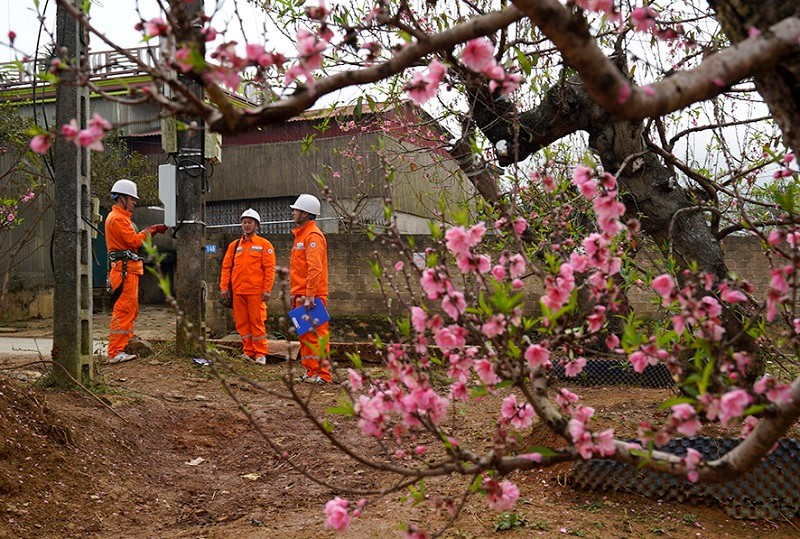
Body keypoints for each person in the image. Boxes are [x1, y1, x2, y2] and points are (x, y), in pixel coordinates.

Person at [105, 179, 168, 363]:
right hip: (124, 271)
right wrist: (153, 230)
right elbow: (134, 241)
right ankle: (115, 352)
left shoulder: (122, 218)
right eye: (132, 199)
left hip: (127, 270)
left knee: (130, 310)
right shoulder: (117, 219)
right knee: (124, 310)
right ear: (122, 198)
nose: (135, 202)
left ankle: (123, 346)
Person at [220, 208, 276, 365]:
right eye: (244, 222)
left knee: (257, 323)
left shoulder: (264, 245)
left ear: (256, 225)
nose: (246, 225)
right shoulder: (234, 245)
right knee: (242, 324)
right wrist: (224, 287)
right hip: (238, 292)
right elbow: (226, 267)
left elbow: (269, 269)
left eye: (250, 222)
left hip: (255, 292)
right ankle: (248, 351)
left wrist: (267, 290)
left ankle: (260, 353)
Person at [289, 194, 331, 384]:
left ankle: (322, 373)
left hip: (312, 297)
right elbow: (300, 269)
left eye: (296, 210)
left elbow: (315, 269)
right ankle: (311, 370)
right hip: (302, 294)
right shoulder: (302, 235)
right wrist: (295, 293)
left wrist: (309, 295)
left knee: (316, 335)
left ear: (305, 214)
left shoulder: (312, 236)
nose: (293, 213)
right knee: (305, 336)